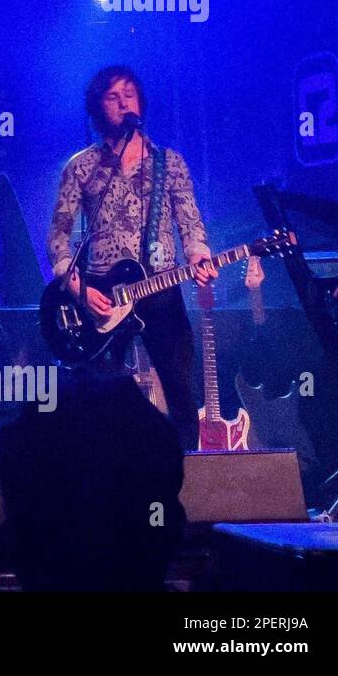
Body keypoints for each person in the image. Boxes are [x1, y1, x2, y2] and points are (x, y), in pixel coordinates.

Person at [47, 64, 216, 450]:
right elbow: (58, 235)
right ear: (97, 108)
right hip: (102, 297)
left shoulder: (168, 163)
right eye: (112, 96)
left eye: (129, 93)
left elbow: (189, 220)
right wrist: (78, 290)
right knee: (98, 396)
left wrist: (199, 254)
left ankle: (185, 480)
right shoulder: (82, 166)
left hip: (161, 289)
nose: (123, 102)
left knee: (179, 389)